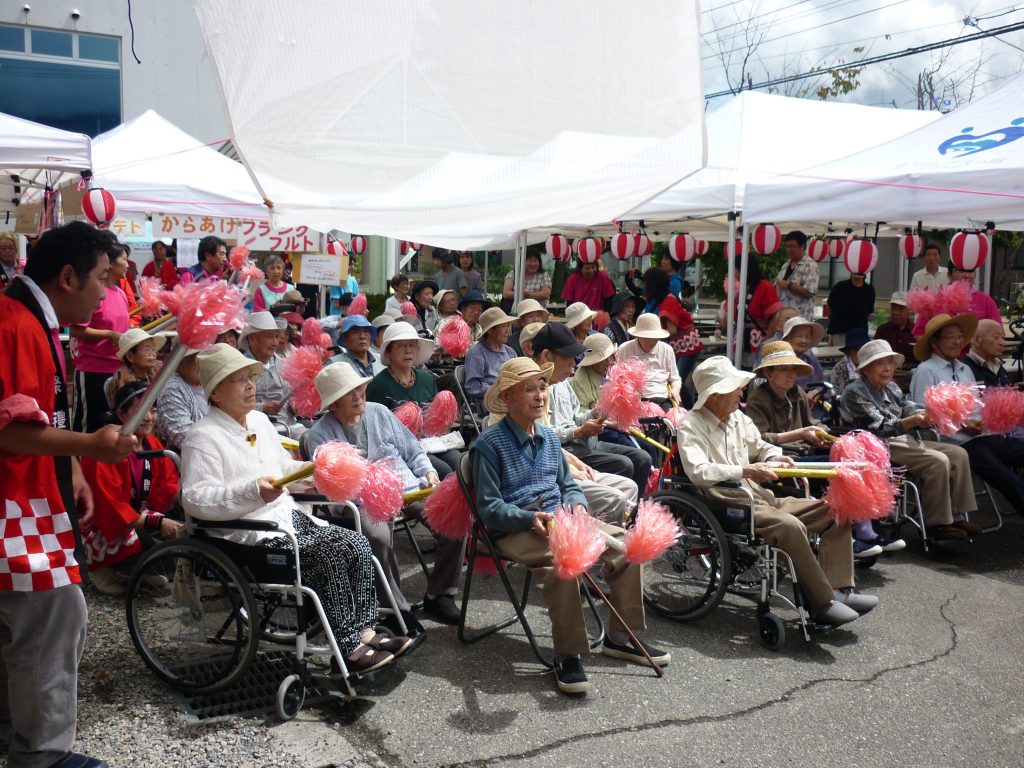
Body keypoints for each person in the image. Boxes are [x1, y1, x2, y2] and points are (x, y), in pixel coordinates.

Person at [1, 219, 138, 768]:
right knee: (51, 616)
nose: (107, 292)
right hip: (15, 503)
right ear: (66, 276)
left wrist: (74, 465)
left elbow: (40, 415)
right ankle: (42, 757)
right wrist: (88, 444)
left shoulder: (35, 320)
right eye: (102, 277)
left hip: (31, 494)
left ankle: (13, 733)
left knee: (23, 622)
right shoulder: (14, 324)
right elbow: (7, 428)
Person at [181, 345, 408, 675]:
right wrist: (253, 491)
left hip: (286, 518)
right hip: (245, 535)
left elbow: (281, 467)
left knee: (356, 543)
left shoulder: (259, 420)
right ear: (215, 393)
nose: (249, 386)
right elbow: (195, 499)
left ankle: (366, 632)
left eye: (249, 378)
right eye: (238, 380)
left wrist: (311, 473)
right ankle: (347, 650)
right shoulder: (201, 436)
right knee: (328, 555)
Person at [471, 357, 669, 695]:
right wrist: (527, 518)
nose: (539, 396)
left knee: (625, 546)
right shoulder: (487, 446)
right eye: (528, 390)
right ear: (507, 399)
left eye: (542, 387)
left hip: (559, 517)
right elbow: (488, 508)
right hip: (516, 527)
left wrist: (577, 507)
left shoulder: (548, 437)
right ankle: (569, 653)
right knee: (564, 565)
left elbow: (568, 485)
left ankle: (622, 637)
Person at [677, 356, 875, 627]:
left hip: (758, 496)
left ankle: (841, 591)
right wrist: (746, 471)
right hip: (723, 502)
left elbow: (761, 446)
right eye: (735, 387)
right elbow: (698, 471)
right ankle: (822, 602)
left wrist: (773, 458)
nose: (741, 391)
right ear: (714, 395)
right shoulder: (691, 425)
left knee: (835, 509)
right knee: (789, 525)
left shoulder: (737, 418)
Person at [307, 363, 464, 631]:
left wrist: (428, 473)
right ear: (332, 404)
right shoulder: (319, 435)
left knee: (453, 518)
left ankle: (440, 594)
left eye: (359, 389)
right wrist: (376, 499)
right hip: (363, 501)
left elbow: (413, 450)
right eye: (349, 393)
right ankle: (394, 608)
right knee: (376, 537)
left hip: (408, 487)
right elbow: (332, 490)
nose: (358, 396)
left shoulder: (379, 412)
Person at [842, 339, 978, 542]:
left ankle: (956, 515)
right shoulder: (855, 391)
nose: (888, 368)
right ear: (866, 369)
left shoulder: (893, 388)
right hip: (876, 445)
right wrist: (911, 421)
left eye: (890, 363)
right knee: (938, 460)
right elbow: (879, 427)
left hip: (905, 439)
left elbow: (908, 406)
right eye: (880, 363)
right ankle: (937, 523)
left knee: (958, 453)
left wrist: (927, 413)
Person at [910, 313, 1024, 517]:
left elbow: (976, 408)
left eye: (959, 336)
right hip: (956, 441)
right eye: (950, 336)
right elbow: (919, 415)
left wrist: (985, 421)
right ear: (935, 342)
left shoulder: (964, 369)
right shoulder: (926, 370)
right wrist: (962, 425)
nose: (957, 341)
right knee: (1004, 476)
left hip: (983, 435)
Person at [81, 382, 182, 596]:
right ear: (121, 413)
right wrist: (157, 522)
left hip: (134, 515)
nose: (149, 417)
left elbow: (167, 487)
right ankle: (101, 569)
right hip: (100, 526)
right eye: (140, 410)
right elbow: (108, 509)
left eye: (153, 410)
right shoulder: (106, 449)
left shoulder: (153, 443)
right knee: (154, 551)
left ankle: (141, 569)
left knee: (178, 545)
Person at [533, 322, 651, 497]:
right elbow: (540, 436)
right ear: (547, 356)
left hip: (580, 445)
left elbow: (575, 417)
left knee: (643, 458)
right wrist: (578, 432)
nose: (574, 364)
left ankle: (633, 515)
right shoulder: (535, 389)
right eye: (568, 357)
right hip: (565, 450)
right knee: (624, 466)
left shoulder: (563, 382)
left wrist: (596, 413)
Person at [366, 323, 463, 478]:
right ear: (389, 352)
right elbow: (376, 432)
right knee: (443, 470)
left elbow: (436, 420)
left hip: (432, 442)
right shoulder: (378, 385)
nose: (408, 350)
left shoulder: (427, 378)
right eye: (402, 346)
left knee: (461, 463)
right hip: (403, 448)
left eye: (412, 345)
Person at [70, 237, 131, 433]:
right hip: (93, 370)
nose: (127, 264)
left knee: (111, 423)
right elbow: (76, 329)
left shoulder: (120, 292)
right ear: (110, 263)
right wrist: (109, 334)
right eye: (124, 259)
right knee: (89, 425)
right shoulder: (96, 292)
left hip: (117, 370)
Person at [745, 341, 832, 459]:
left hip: (806, 452)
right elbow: (758, 438)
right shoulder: (758, 399)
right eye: (784, 369)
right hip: (782, 459)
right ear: (768, 373)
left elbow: (810, 421)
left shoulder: (796, 392)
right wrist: (799, 434)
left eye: (794, 368)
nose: (791, 374)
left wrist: (822, 432)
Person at [911, 261, 1002, 337]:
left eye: (970, 271)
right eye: (960, 271)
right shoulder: (937, 300)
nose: (966, 275)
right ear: (949, 274)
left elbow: (998, 332)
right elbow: (918, 333)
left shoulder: (985, 300)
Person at [614, 313, 682, 407]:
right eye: (648, 338)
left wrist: (675, 390)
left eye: (655, 338)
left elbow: (675, 379)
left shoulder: (666, 349)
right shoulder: (624, 349)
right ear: (638, 336)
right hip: (633, 399)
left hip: (661, 397)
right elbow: (617, 378)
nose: (653, 342)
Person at [464, 307, 516, 409]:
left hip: (510, 398)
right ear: (491, 331)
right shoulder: (476, 352)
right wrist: (498, 390)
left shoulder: (510, 351)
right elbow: (473, 387)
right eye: (503, 326)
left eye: (508, 326)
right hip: (489, 401)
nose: (508, 331)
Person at [156, 348, 208, 452]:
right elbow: (186, 439)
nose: (203, 363)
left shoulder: (210, 382)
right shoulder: (172, 389)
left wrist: (248, 443)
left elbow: (243, 430)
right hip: (200, 458)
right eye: (197, 359)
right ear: (179, 362)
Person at [103, 328, 166, 408]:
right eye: (147, 349)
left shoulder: (153, 371)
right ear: (130, 356)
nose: (153, 354)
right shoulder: (123, 379)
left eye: (153, 349)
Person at [241, 311, 286, 417]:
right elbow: (236, 405)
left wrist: (293, 406)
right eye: (269, 337)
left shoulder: (280, 363)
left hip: (289, 424)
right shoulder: (242, 368)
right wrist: (263, 407)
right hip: (258, 427)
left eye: (277, 336)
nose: (275, 342)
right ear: (252, 339)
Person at [775, 231, 819, 321]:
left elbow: (810, 293)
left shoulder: (811, 265)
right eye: (787, 246)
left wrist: (789, 285)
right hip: (784, 317)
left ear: (802, 246)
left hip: (801, 318)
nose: (788, 249)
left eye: (792, 246)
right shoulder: (786, 264)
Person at [825, 270, 875, 348]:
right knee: (840, 356)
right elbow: (829, 306)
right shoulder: (840, 287)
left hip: (859, 333)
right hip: (839, 331)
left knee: (857, 357)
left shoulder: (870, 290)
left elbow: (868, 313)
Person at [780, 316, 826, 396]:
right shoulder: (779, 362)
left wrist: (818, 391)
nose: (804, 340)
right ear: (788, 339)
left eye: (807, 337)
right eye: (799, 336)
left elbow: (824, 383)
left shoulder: (811, 361)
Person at [963, 319, 1012, 388]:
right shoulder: (963, 369)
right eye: (996, 337)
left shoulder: (998, 365)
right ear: (977, 340)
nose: (1002, 343)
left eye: (1003, 338)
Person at [332, 314, 383, 379]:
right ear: (345, 338)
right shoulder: (334, 364)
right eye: (356, 332)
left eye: (366, 332)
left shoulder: (382, 360)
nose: (362, 336)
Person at [873, 292, 916, 363]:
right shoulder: (882, 330)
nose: (896, 313)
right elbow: (876, 356)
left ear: (909, 311)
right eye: (893, 308)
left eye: (900, 309)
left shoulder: (917, 332)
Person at [827, 327, 870, 397]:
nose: (860, 353)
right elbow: (837, 396)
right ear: (848, 351)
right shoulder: (840, 369)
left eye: (863, 349)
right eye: (856, 349)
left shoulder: (873, 364)